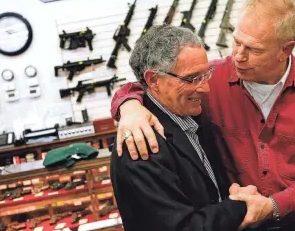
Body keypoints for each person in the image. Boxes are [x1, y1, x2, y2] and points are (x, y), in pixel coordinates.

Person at [111, 0, 295, 230]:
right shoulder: (211, 77)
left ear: (286, 49)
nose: (238, 56)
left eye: (254, 49)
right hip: (234, 224)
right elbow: (154, 83)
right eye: (237, 42)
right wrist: (129, 105)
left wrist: (274, 206)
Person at [111, 24, 258, 231]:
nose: (205, 87)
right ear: (154, 80)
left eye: (206, 74)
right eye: (192, 78)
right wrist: (241, 206)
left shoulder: (192, 116)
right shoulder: (140, 144)